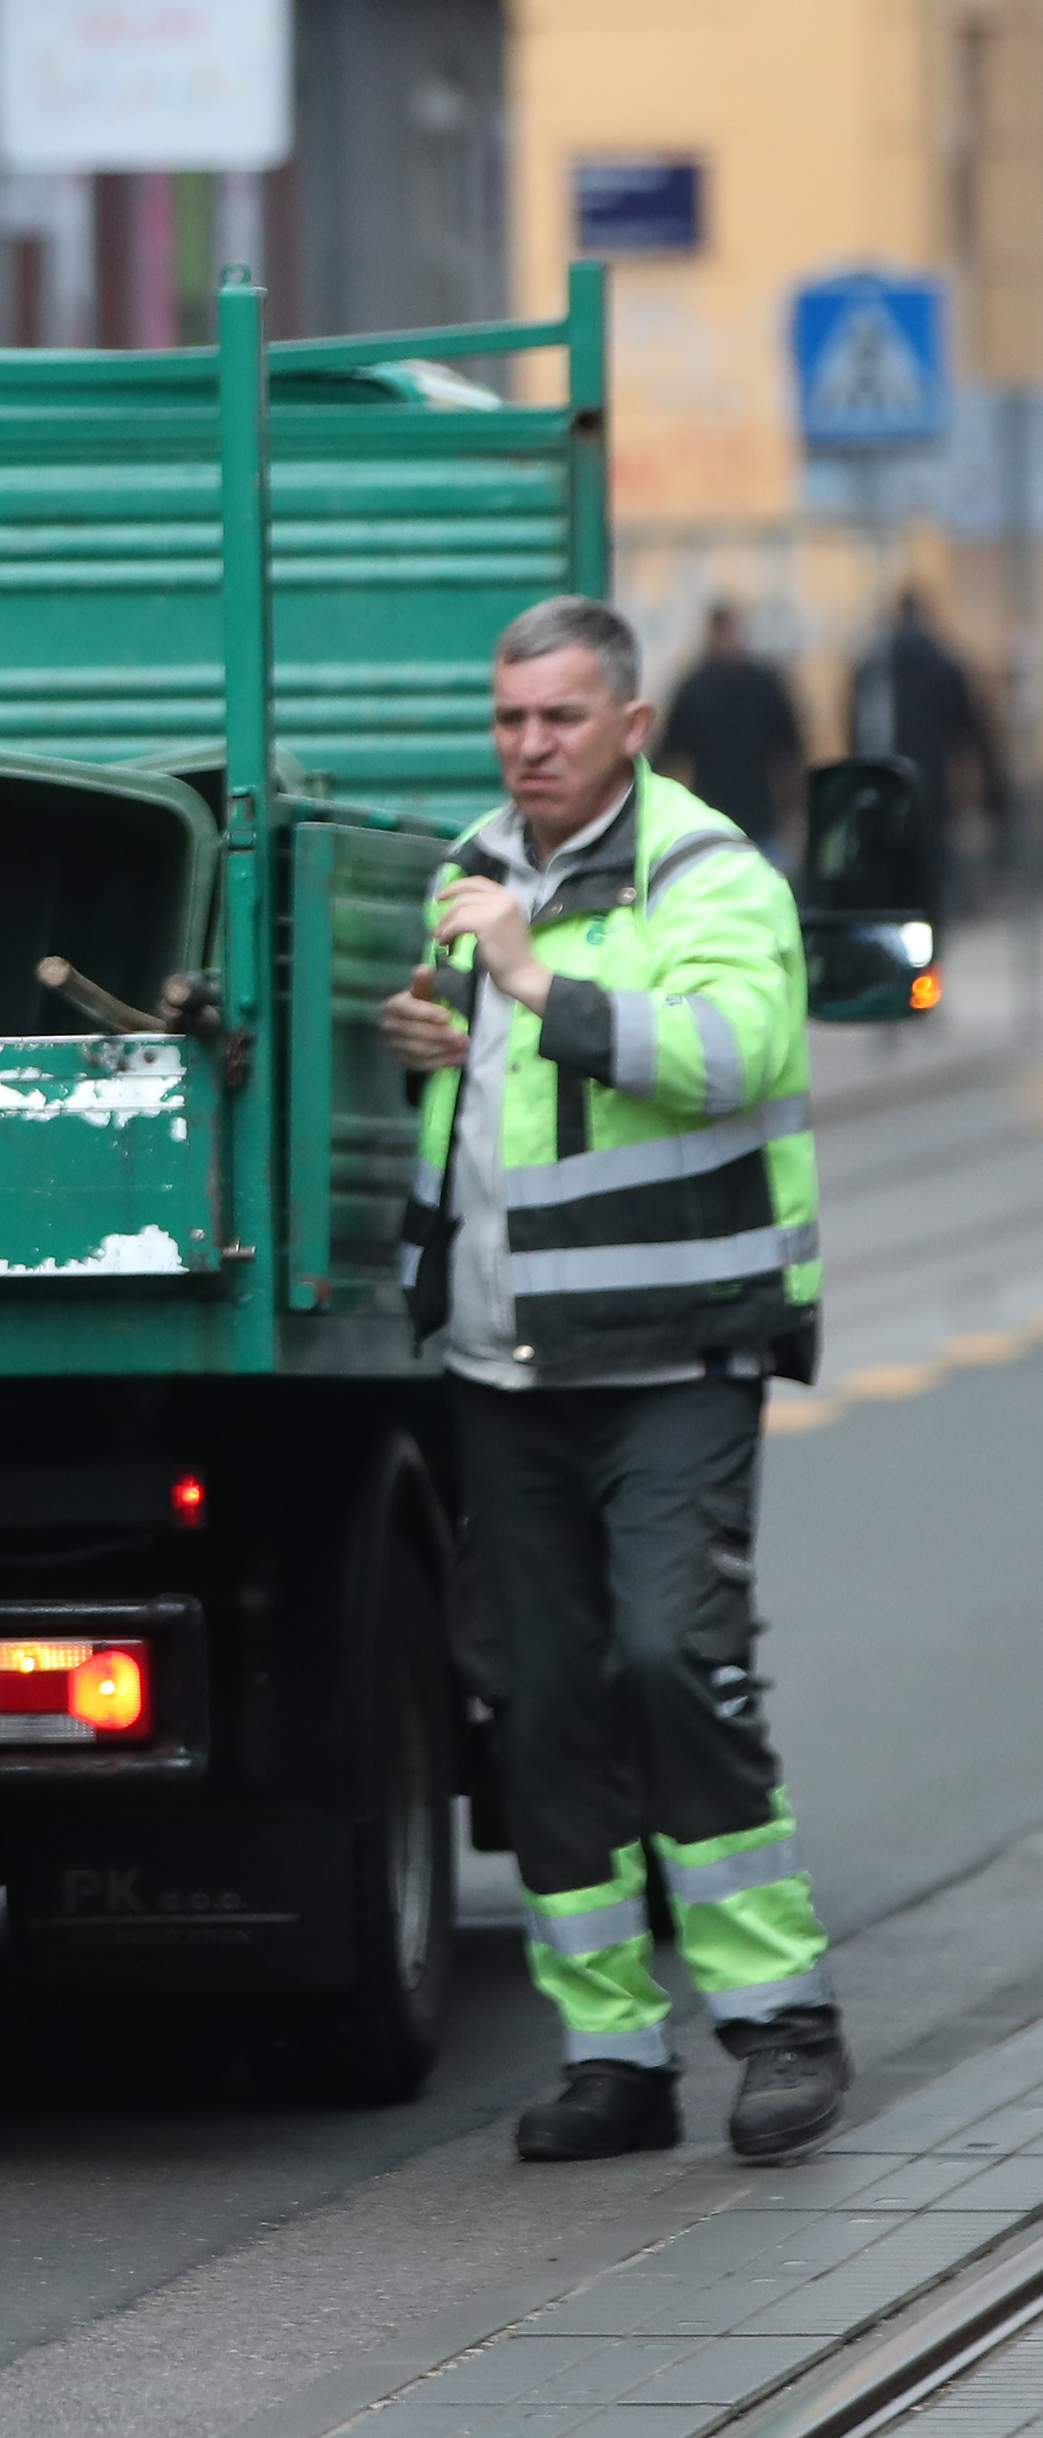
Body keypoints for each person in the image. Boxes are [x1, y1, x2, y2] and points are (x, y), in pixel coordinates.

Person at [378, 594, 846, 2166]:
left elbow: (738, 1053)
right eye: (510, 720)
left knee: (671, 1662)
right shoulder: (478, 863)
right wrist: (425, 1044)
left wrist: (527, 982)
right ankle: (613, 2057)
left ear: (631, 726)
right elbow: (494, 1102)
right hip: (504, 1369)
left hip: (672, 1355)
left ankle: (780, 2028)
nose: (528, 749)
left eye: (560, 720)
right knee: (546, 1702)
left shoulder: (706, 870)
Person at [847, 587, 1012, 902]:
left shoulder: (873, 668)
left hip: (881, 787)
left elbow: (854, 729)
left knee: (889, 879)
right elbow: (972, 732)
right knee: (934, 874)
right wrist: (993, 795)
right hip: (932, 786)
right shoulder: (943, 664)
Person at [655, 603, 804, 859]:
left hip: (718, 814)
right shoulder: (763, 684)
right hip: (752, 816)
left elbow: (667, 757)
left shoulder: (695, 685)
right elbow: (789, 754)